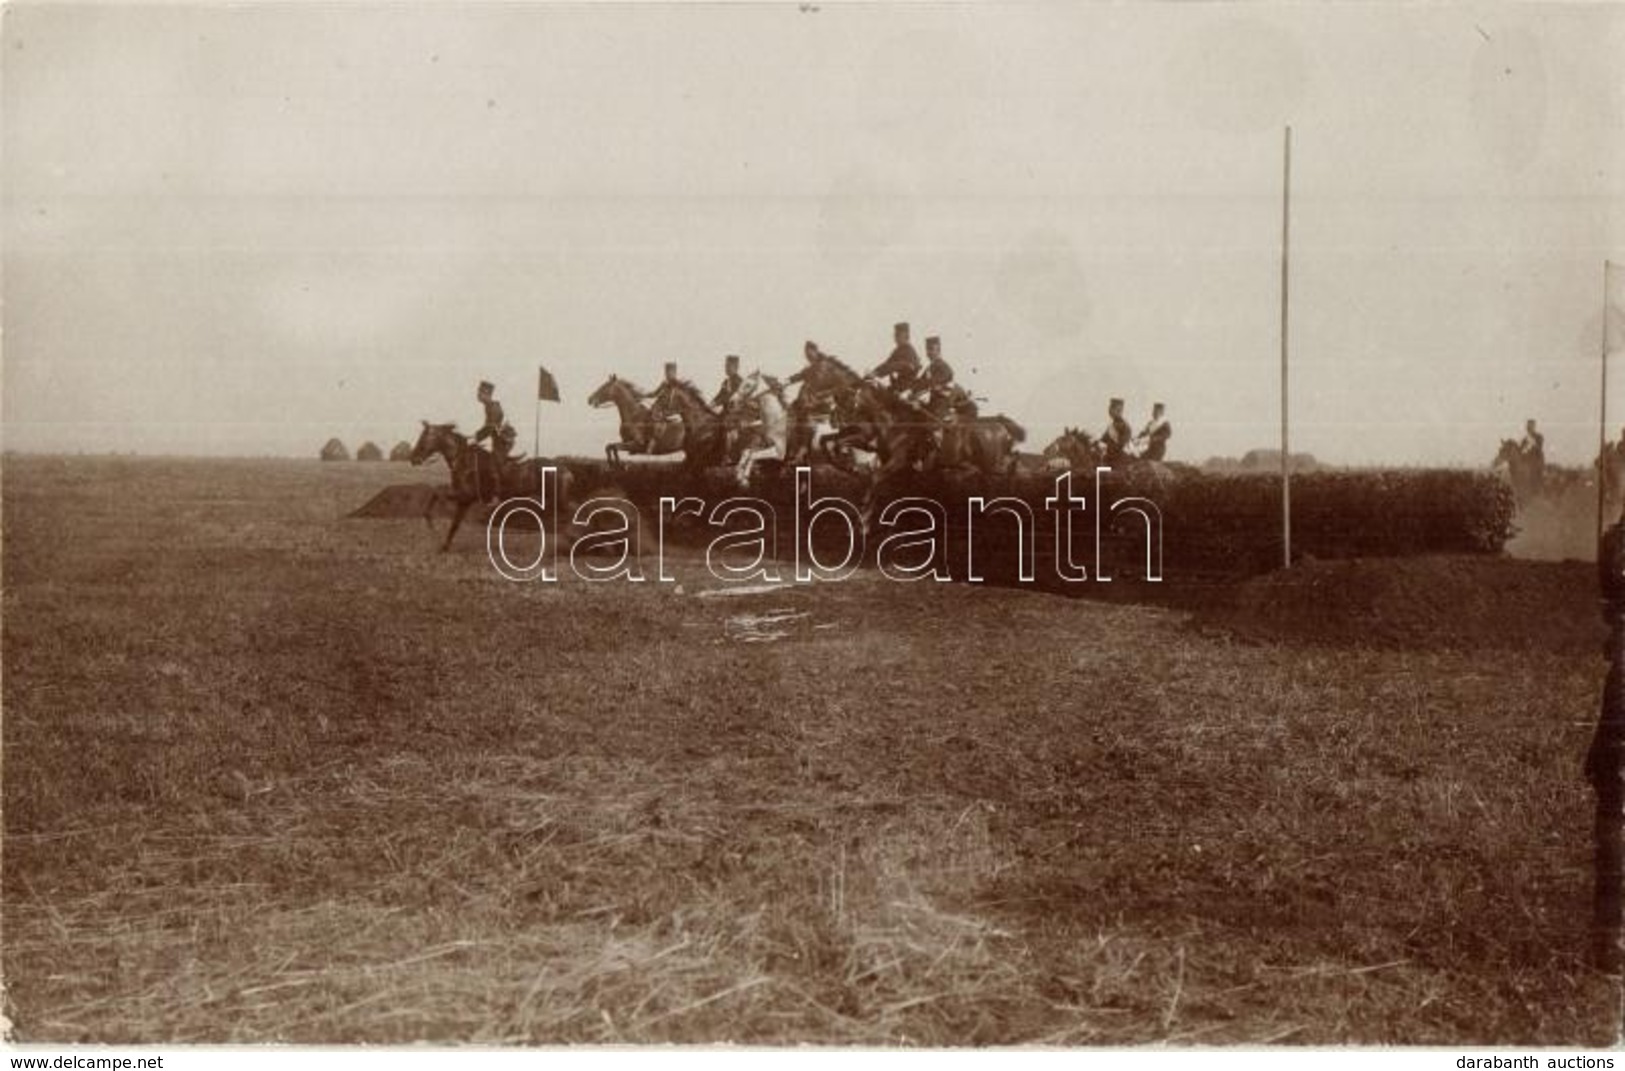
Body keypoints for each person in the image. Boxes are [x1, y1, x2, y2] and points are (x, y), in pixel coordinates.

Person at [473, 380, 517, 489]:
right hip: (499, 439)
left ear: (486, 394)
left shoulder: (493, 407)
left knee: (493, 464)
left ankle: (497, 494)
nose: (478, 395)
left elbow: (490, 427)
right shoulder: (489, 406)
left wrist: (475, 437)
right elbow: (488, 427)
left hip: (505, 440)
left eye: (480, 392)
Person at [870, 321, 921, 393]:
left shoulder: (909, 351)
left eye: (898, 335)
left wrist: (876, 374)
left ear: (906, 336)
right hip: (897, 387)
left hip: (906, 389)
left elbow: (896, 365)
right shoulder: (898, 350)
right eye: (895, 335)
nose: (895, 338)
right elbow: (887, 363)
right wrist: (874, 372)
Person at [1101, 397, 1133, 464]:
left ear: (1119, 410)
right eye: (1110, 408)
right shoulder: (1112, 425)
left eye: (1112, 408)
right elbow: (1103, 440)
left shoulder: (1125, 426)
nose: (1109, 411)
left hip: (1121, 458)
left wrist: (1108, 448)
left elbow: (1122, 444)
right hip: (1110, 456)